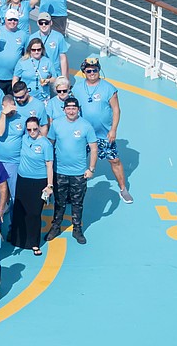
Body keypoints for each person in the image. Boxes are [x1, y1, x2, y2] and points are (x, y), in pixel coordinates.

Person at [72, 56, 133, 203]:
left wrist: (113, 130)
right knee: (78, 161)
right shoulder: (77, 89)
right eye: (88, 71)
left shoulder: (109, 88)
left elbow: (116, 110)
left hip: (104, 134)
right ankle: (75, 191)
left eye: (95, 70)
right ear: (84, 72)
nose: (92, 73)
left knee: (115, 160)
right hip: (85, 134)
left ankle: (123, 189)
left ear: (99, 70)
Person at [46, 97, 98, 245]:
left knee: (77, 203)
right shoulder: (56, 124)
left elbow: (94, 148)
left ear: (78, 109)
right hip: (59, 172)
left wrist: (91, 169)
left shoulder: (86, 126)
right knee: (59, 202)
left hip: (79, 173)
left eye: (73, 108)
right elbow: (50, 144)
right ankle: (55, 227)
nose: (71, 111)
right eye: (68, 108)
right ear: (64, 110)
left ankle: (77, 229)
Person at [8, 117, 54, 255]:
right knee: (19, 210)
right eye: (29, 129)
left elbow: (49, 165)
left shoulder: (46, 144)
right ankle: (17, 239)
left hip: (38, 181)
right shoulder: (24, 139)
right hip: (22, 180)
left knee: (34, 213)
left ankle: (34, 243)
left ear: (39, 127)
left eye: (35, 128)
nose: (32, 132)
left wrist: (50, 185)